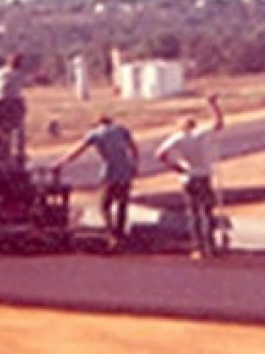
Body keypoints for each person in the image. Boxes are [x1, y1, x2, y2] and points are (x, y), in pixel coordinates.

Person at [52, 114, 139, 250]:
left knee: (104, 205)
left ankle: (113, 235)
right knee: (123, 204)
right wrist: (134, 165)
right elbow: (133, 148)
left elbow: (77, 150)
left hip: (110, 171)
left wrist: (60, 162)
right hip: (125, 169)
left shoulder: (95, 134)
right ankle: (121, 234)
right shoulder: (122, 129)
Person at [156, 94, 225, 259]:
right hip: (204, 175)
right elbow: (219, 123)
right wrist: (213, 105)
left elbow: (160, 153)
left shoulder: (178, 138)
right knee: (207, 212)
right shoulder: (202, 134)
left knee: (193, 213)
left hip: (189, 176)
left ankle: (198, 247)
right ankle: (210, 245)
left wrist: (174, 167)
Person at [0, 53, 29, 165]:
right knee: (19, 128)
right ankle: (19, 153)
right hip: (11, 102)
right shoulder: (19, 74)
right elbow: (19, 89)